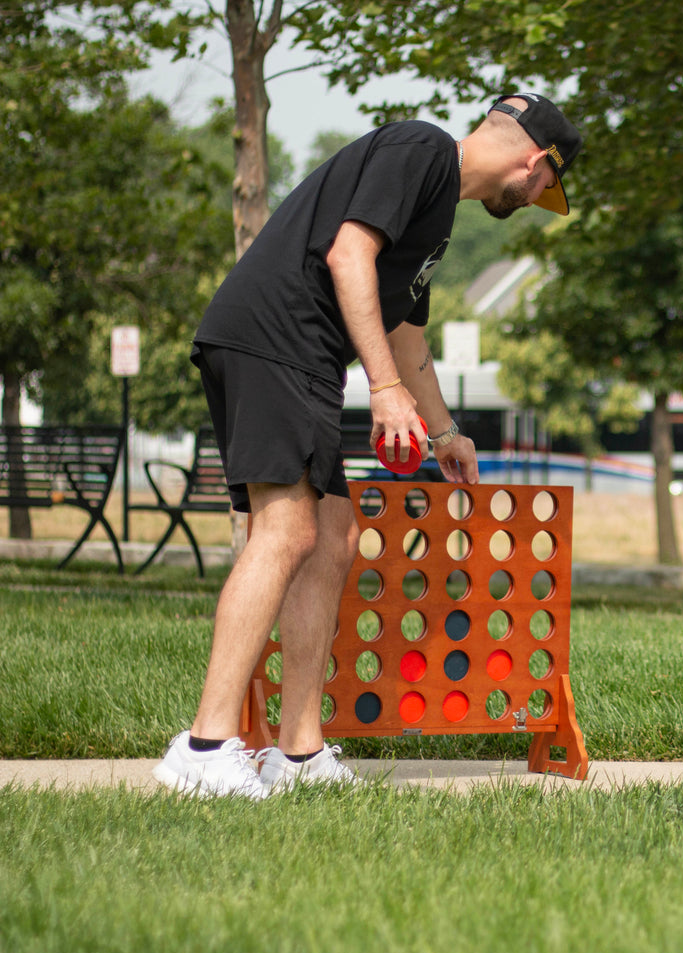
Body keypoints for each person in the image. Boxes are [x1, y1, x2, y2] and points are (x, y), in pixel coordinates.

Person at [153, 94, 583, 799]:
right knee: (286, 529)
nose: (538, 200)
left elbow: (405, 331)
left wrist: (443, 432)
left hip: (302, 355)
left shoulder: (436, 210)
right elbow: (348, 251)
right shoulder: (421, 149)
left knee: (331, 536)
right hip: (276, 338)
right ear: (535, 163)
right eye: (545, 188)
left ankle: (296, 752)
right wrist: (383, 389)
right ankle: (203, 746)